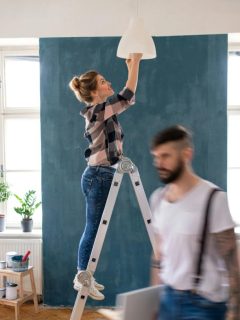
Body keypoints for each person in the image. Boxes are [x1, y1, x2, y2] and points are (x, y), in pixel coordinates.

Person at [69, 53, 142, 300]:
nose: (108, 83)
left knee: (95, 227)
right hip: (98, 176)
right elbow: (128, 96)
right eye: (102, 82)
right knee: (93, 227)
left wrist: (133, 66)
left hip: (101, 174)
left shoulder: (104, 113)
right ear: (93, 93)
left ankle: (85, 275)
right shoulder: (96, 111)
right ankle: (82, 276)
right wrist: (136, 63)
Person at [149, 125, 240, 320]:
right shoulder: (158, 198)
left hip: (203, 305)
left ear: (186, 155)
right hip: (168, 300)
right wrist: (154, 301)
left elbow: (232, 262)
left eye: (166, 156)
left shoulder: (214, 199)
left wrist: (235, 311)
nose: (159, 163)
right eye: (156, 157)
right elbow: (158, 256)